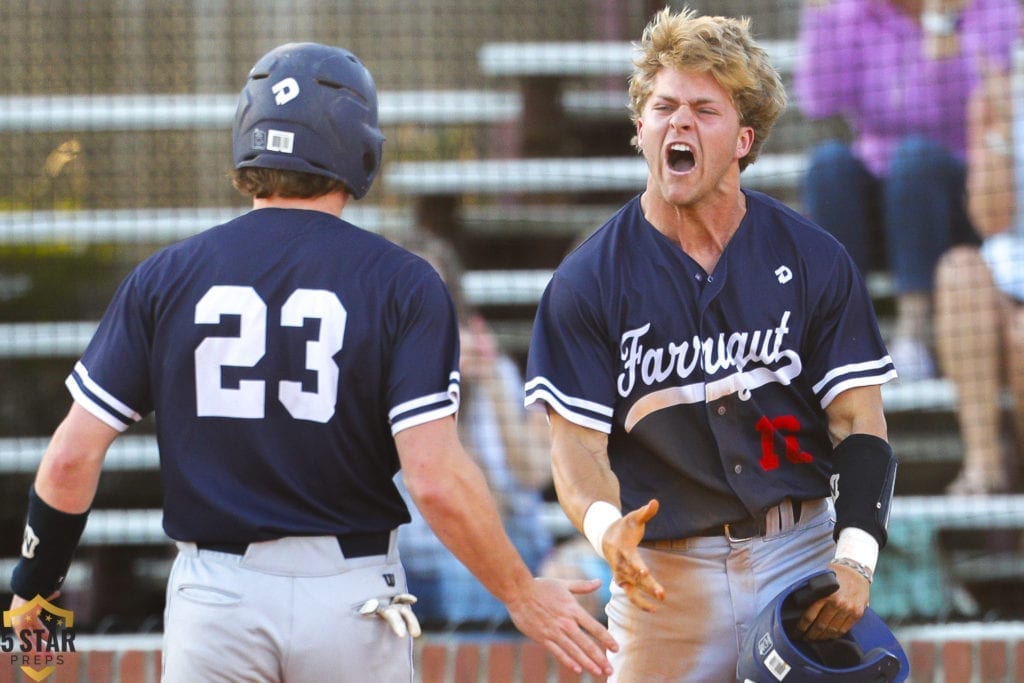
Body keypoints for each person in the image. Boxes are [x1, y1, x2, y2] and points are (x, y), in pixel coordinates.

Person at [6, 42, 617, 682]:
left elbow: (72, 456)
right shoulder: (403, 282)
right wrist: (521, 592)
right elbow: (433, 477)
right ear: (360, 145)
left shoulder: (166, 276)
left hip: (214, 598)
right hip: (351, 598)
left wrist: (33, 605)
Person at [524, 7, 901, 681]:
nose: (679, 123)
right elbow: (575, 446)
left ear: (744, 138)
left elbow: (859, 422)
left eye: (704, 109)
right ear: (640, 127)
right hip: (663, 579)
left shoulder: (814, 258)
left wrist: (855, 555)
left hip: (798, 558)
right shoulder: (586, 281)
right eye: (663, 106)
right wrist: (608, 529)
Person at [794, 0, 1021, 381]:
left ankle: (913, 330)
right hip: (881, 199)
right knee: (828, 165)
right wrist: (822, 19)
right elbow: (819, 102)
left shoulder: (994, 9)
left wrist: (943, 27)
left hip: (958, 196)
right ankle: (839, 330)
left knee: (916, 160)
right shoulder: (856, 12)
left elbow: (981, 105)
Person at [392, 232, 555, 627]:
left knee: (470, 572)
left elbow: (533, 475)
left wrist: (484, 385)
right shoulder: (381, 371)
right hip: (409, 555)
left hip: (497, 544)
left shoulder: (491, 368)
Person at [935, 40, 1024, 494]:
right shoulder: (995, 95)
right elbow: (991, 218)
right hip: (1009, 269)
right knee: (957, 270)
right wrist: (1004, 130)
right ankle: (985, 461)